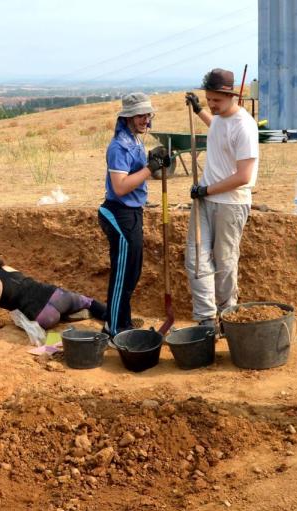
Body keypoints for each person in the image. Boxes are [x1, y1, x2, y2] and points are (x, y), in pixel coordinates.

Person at [184, 68, 260, 331]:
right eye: (208, 99)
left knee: (225, 262)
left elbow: (243, 176)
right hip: (205, 200)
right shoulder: (218, 117)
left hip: (231, 203)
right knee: (196, 258)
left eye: (216, 100)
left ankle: (228, 317)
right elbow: (217, 128)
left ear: (231, 97)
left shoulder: (244, 126)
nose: (211, 105)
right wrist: (198, 110)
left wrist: (207, 190)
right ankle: (206, 319)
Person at [99, 92, 171, 338]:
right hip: (118, 213)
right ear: (128, 117)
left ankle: (124, 322)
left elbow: (138, 176)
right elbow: (120, 187)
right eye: (140, 115)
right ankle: (113, 328)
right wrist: (150, 168)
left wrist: (156, 163)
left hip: (133, 212)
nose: (145, 120)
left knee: (132, 272)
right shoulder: (119, 146)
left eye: (147, 115)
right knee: (122, 274)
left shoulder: (135, 140)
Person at [0, 251, 107, 338]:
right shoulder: (6, 268)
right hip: (58, 297)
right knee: (88, 301)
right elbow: (15, 288)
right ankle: (111, 318)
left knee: (29, 324)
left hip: (45, 316)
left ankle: (63, 317)